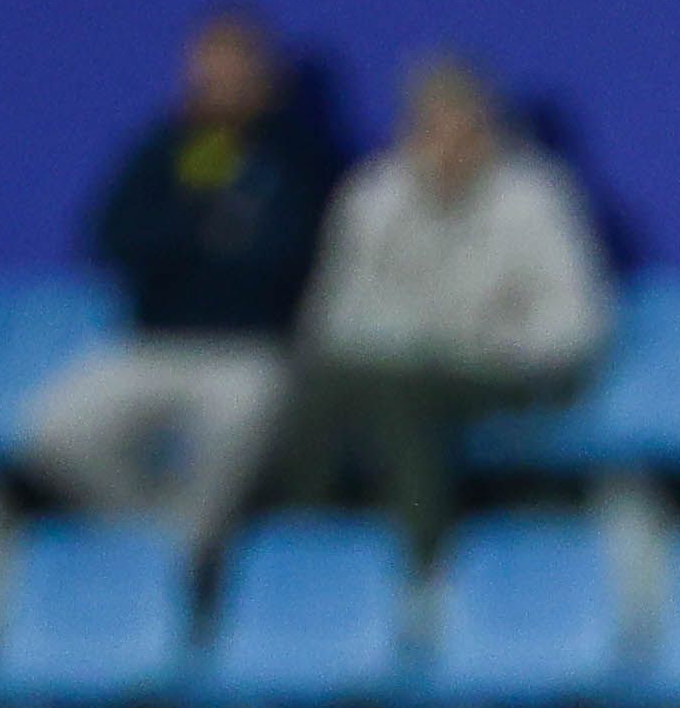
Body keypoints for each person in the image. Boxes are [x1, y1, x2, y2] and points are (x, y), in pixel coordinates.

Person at [21, 6, 346, 553]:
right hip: (151, 346)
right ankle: (164, 546)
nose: (221, 82)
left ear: (262, 73)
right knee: (56, 430)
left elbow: (293, 255)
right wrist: (201, 229)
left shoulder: (300, 155)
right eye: (208, 69)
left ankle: (189, 563)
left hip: (251, 352)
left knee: (235, 430)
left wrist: (217, 246)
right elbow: (113, 238)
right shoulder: (165, 149)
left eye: (235, 68)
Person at [261, 50, 610, 553]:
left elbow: (575, 319)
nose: (448, 144)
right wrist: (400, 340)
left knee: (399, 389)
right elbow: (334, 312)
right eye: (433, 127)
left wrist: (488, 346)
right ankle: (307, 544)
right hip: (398, 362)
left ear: (489, 128)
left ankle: (421, 558)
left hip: (510, 366)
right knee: (318, 380)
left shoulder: (536, 197)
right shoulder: (373, 195)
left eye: (464, 128)